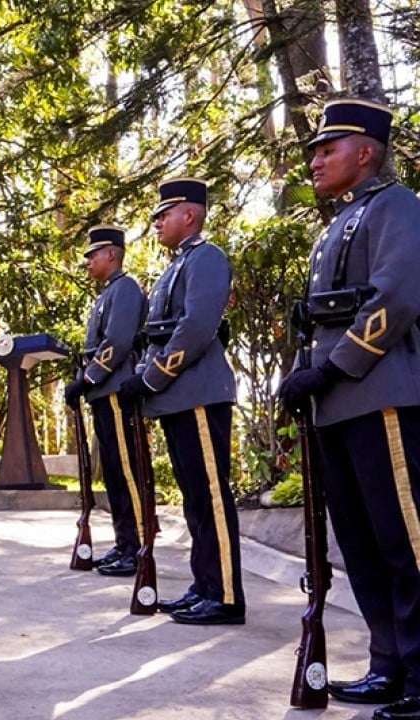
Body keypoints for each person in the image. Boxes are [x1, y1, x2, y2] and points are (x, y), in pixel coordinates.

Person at [278, 99, 420, 720]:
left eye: (326, 149)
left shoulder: (396, 206)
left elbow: (397, 297)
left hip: (380, 393)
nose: (314, 160)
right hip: (336, 405)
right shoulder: (340, 220)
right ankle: (389, 665)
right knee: (361, 545)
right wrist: (303, 374)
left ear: (365, 152)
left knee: (404, 541)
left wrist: (333, 368)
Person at [118, 176, 243, 626]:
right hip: (178, 397)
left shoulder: (206, 257)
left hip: (198, 394)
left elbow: (195, 328)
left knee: (211, 497)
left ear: (189, 215)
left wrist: (150, 379)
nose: (156, 222)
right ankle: (204, 584)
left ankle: (225, 595)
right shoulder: (176, 265)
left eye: (164, 214)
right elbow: (158, 333)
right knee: (195, 500)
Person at [63, 224, 149, 578]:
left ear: (111, 254)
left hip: (115, 389)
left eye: (93, 254)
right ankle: (124, 542)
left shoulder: (125, 288)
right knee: (113, 472)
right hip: (103, 391)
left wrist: (89, 378)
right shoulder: (107, 293)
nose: (88, 261)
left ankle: (140, 546)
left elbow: (117, 342)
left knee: (127, 471)